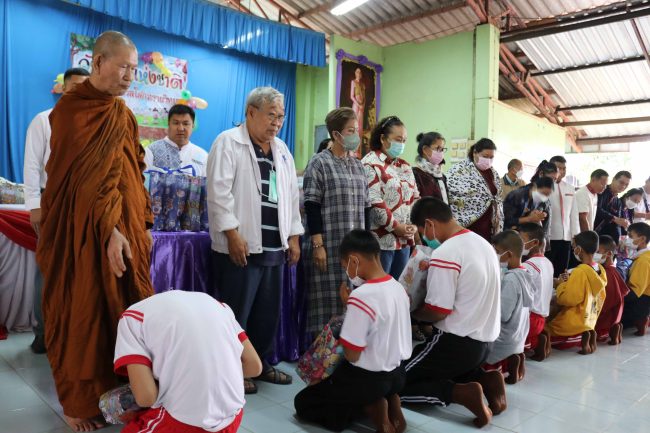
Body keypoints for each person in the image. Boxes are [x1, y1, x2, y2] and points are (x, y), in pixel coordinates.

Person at [35, 31, 155, 432]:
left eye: (134, 70)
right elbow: (86, 184)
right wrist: (109, 232)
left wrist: (143, 224)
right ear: (98, 62)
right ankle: (76, 403)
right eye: (122, 67)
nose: (128, 76)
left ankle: (117, 394)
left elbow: (133, 174)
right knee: (81, 312)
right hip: (82, 238)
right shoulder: (71, 110)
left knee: (120, 315)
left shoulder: (122, 114)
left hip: (126, 231)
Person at [206, 86, 303, 395]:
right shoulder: (228, 142)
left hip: (275, 245)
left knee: (267, 310)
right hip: (242, 244)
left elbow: (290, 196)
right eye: (270, 115)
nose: (276, 123)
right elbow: (218, 193)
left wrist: (294, 237)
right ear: (250, 113)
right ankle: (233, 367)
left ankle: (259, 361)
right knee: (238, 311)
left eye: (281, 117)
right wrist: (232, 233)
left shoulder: (282, 150)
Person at [400, 198, 505, 429]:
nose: (423, 238)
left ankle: (459, 394)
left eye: (421, 231)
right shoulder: (482, 243)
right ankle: (483, 379)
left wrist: (411, 313)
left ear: (429, 224)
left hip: (455, 342)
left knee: (392, 383)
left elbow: (438, 311)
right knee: (430, 368)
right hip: (485, 342)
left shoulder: (446, 253)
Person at [294, 229, 412, 433]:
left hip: (370, 379)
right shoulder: (397, 287)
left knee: (305, 402)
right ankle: (390, 400)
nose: (347, 272)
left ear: (354, 261)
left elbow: (352, 354)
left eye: (345, 265)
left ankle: (374, 406)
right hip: (398, 374)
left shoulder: (362, 296)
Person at [114, 291, 263, 433]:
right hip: (233, 418)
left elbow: (146, 398)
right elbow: (254, 366)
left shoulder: (131, 318)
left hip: (183, 424)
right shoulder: (218, 305)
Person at [23, 67, 89, 354]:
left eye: (84, 87)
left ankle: (72, 334)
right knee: (48, 269)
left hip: (84, 203)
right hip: (51, 201)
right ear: (63, 88)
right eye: (74, 86)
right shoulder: (43, 120)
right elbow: (31, 166)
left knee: (80, 270)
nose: (78, 91)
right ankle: (42, 333)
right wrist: (34, 206)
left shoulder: (90, 121)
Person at [303, 107, 370, 336]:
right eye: (350, 130)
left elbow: (366, 207)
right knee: (328, 300)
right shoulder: (319, 163)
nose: (355, 135)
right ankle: (321, 356)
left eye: (356, 130)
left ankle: (349, 348)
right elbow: (311, 205)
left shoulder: (358, 165)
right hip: (330, 246)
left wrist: (367, 244)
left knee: (353, 298)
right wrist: (318, 245)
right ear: (336, 134)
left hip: (356, 249)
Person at [362, 116, 419, 280]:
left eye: (404, 140)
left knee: (399, 289)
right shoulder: (370, 163)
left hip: (404, 241)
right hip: (382, 241)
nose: (401, 144)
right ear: (382, 138)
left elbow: (415, 197)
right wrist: (395, 227)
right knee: (380, 289)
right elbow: (374, 201)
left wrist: (413, 225)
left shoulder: (405, 166)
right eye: (398, 139)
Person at [545, 231, 606, 355]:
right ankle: (587, 335)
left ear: (579, 249)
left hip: (574, 320)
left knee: (544, 326)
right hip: (589, 318)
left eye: (573, 247)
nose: (573, 250)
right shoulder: (600, 269)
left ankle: (570, 339)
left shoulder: (579, 272)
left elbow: (568, 299)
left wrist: (561, 284)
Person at [485, 230, 533, 385]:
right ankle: (514, 363)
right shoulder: (525, 273)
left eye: (498, 252)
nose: (496, 256)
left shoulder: (511, 280)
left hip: (504, 337)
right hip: (518, 335)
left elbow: (503, 315)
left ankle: (497, 372)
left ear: (510, 254)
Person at [447, 138, 503, 242]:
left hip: (488, 225)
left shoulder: (493, 173)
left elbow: (497, 196)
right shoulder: (459, 171)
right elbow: (451, 196)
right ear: (475, 153)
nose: (488, 160)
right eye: (485, 156)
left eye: (491, 157)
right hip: (469, 226)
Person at [519, 223, 555, 362]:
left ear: (534, 242)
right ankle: (537, 339)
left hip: (530, 318)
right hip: (541, 317)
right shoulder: (548, 263)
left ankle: (533, 344)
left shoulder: (528, 266)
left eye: (521, 240)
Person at [144, 104, 208, 176]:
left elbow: (206, 185)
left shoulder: (202, 156)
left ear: (192, 125)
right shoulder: (151, 151)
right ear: (169, 123)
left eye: (185, 124)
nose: (180, 128)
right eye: (176, 123)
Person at [546, 155, 580, 277]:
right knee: (548, 269)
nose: (562, 171)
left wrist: (575, 236)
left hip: (566, 237)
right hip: (549, 237)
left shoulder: (570, 188)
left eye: (564, 168)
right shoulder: (543, 186)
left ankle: (559, 294)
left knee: (562, 270)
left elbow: (574, 214)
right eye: (558, 168)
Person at [594, 235, 630, 345]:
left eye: (597, 251)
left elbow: (606, 302)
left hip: (605, 318)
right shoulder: (612, 270)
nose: (593, 254)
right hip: (615, 315)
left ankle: (607, 330)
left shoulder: (607, 273)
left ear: (609, 254)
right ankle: (615, 327)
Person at [502, 176, 554, 246]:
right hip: (509, 235)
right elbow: (506, 220)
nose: (545, 197)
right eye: (543, 193)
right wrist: (529, 219)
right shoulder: (516, 196)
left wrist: (538, 216)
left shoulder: (538, 200)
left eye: (547, 195)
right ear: (535, 187)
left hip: (525, 236)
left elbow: (533, 214)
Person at [621, 223, 650, 336]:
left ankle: (640, 319)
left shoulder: (643, 261)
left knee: (608, 316)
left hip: (640, 304)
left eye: (630, 236)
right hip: (641, 300)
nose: (627, 239)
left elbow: (634, 292)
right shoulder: (643, 256)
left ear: (642, 239)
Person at [594, 170, 632, 243]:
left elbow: (618, 223)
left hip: (607, 241)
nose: (623, 186)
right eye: (621, 182)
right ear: (614, 179)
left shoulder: (618, 201)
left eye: (626, 185)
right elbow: (596, 209)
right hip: (592, 235)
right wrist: (614, 218)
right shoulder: (601, 191)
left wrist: (618, 241)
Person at [412, 131, 448, 203]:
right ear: (425, 149)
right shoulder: (415, 174)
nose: (440, 152)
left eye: (442, 149)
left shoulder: (441, 176)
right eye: (437, 148)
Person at [351, 68, 365, 140]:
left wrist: (363, 106)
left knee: (360, 125)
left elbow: (364, 97)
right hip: (356, 105)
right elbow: (351, 96)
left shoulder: (362, 84)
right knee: (355, 124)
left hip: (361, 106)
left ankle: (359, 146)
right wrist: (358, 105)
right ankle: (354, 146)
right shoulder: (353, 82)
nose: (358, 74)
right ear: (355, 73)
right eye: (357, 72)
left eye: (360, 72)